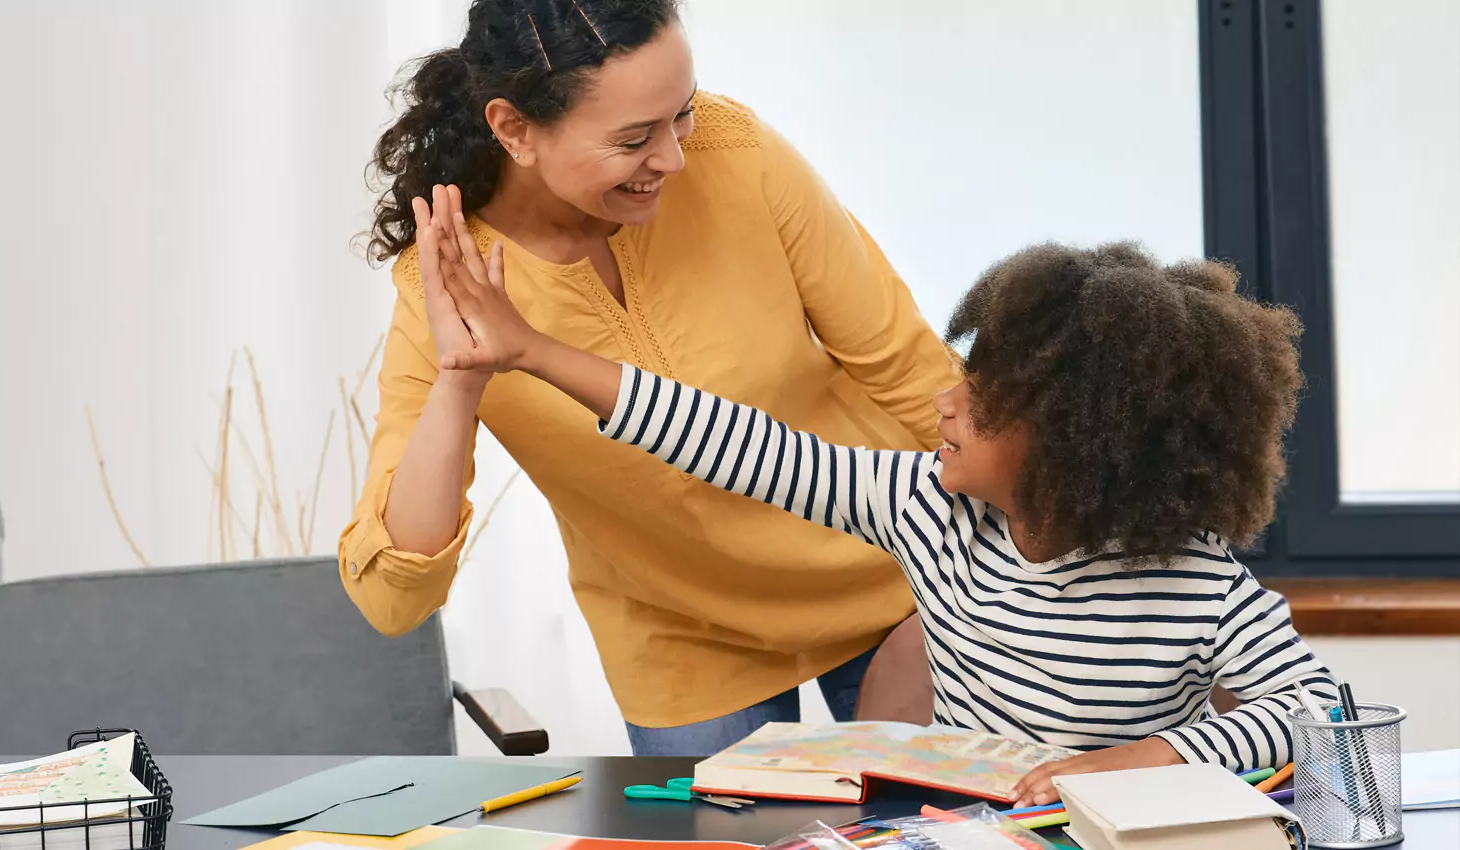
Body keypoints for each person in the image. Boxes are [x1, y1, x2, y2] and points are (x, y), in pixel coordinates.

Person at [418, 221, 1339, 806]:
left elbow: (1315, 707)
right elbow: (737, 442)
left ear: (1076, 441)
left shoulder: (1192, 579)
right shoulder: (927, 511)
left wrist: (1136, 760)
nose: (945, 401)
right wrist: (534, 351)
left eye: (981, 397)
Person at [338, 0, 961, 756]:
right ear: (513, 129)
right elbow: (393, 596)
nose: (674, 158)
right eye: (634, 139)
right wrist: (461, 378)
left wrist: (982, 580)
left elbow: (911, 371)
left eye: (682, 114)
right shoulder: (448, 282)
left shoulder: (740, 155)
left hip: (895, 577)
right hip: (685, 642)